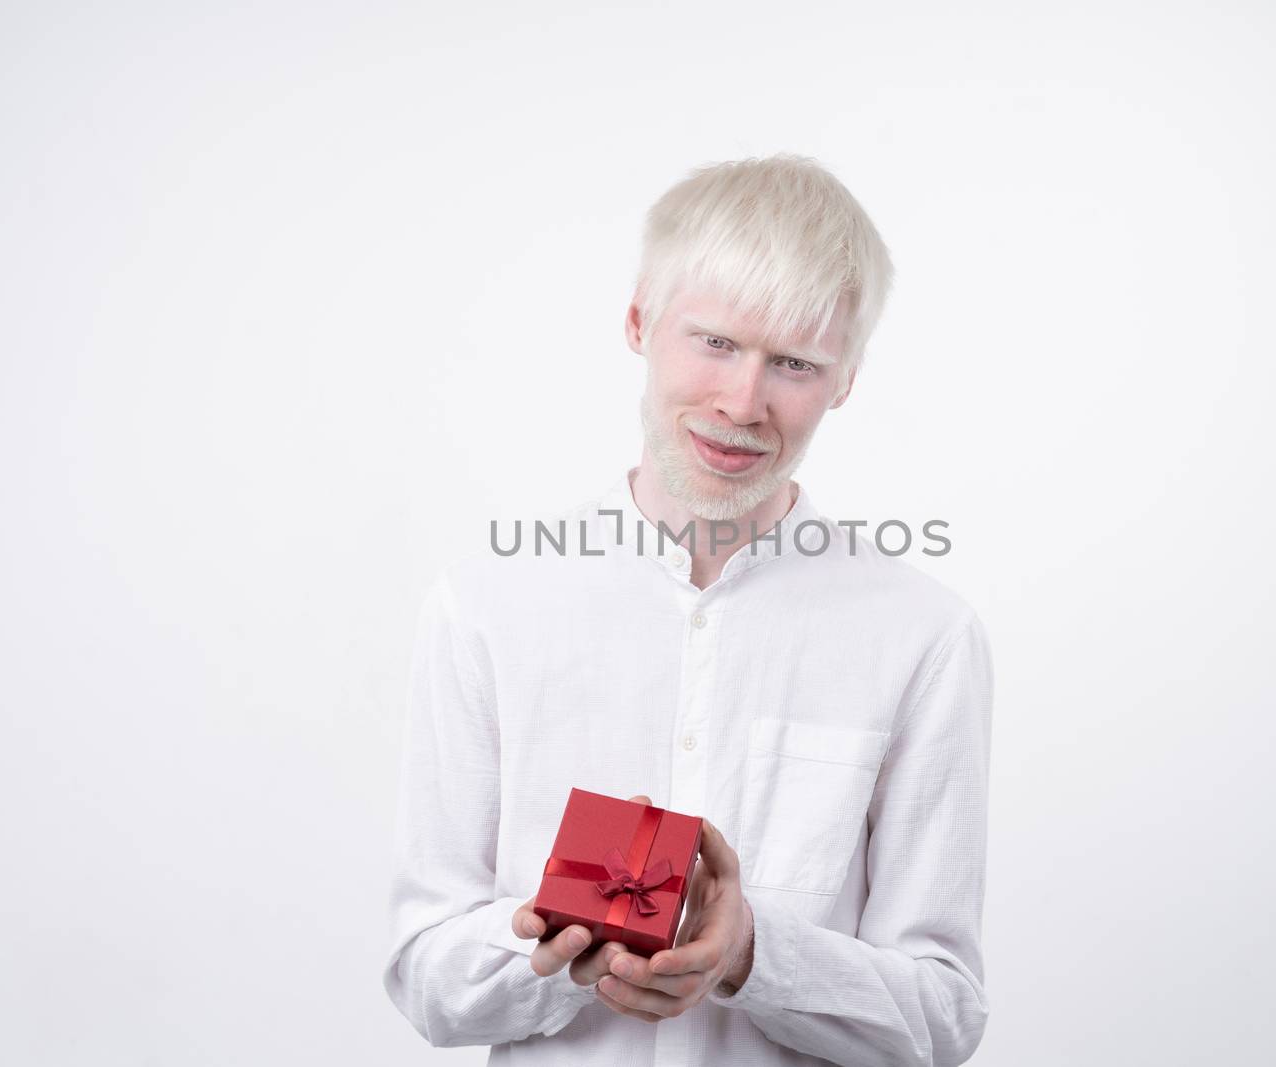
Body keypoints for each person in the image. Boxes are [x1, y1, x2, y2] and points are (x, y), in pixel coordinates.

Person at [382, 153, 994, 1066]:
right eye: (713, 341)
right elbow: (427, 979)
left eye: (793, 362)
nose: (742, 402)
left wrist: (750, 952)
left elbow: (943, 1017)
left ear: (848, 378)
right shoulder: (484, 610)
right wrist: (558, 939)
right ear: (639, 320)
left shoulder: (923, 636)